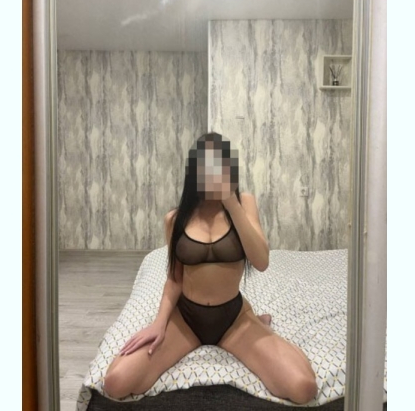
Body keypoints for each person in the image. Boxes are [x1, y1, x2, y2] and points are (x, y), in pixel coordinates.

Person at [103, 132, 318, 404]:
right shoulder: (175, 219)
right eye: (205, 166)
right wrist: (159, 323)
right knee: (116, 383)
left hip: (233, 320)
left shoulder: (244, 203)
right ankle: (258, 322)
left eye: (220, 165)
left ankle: (257, 322)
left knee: (303, 387)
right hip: (186, 319)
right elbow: (174, 279)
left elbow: (261, 262)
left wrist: (230, 202)